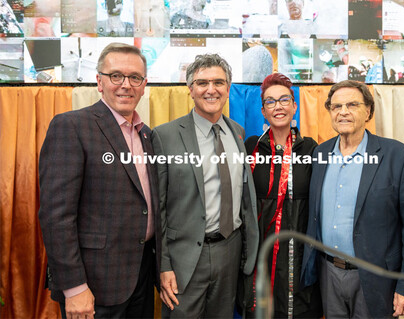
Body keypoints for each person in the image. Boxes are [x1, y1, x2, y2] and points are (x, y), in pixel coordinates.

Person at [38, 42, 160, 319]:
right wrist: (74, 287)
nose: (125, 85)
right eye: (116, 75)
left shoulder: (148, 136)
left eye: (134, 78)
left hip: (141, 275)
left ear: (144, 85)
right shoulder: (71, 126)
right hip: (93, 285)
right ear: (99, 82)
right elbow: (56, 216)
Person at [301, 80, 404, 318]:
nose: (343, 112)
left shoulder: (399, 157)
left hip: (376, 279)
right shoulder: (320, 154)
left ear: (368, 111)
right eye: (336, 106)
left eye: (352, 105)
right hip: (328, 274)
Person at [151, 53, 259, 318]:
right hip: (183, 260)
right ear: (190, 89)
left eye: (219, 82)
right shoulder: (164, 136)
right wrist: (163, 265)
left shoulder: (237, 132)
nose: (211, 89)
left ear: (228, 87)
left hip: (229, 252)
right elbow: (159, 208)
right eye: (202, 83)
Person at [238, 73, 321, 318]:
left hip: (298, 250)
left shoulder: (311, 148)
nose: (278, 106)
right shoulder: (251, 147)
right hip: (260, 250)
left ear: (294, 106)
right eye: (271, 102)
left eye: (284, 99)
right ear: (263, 111)